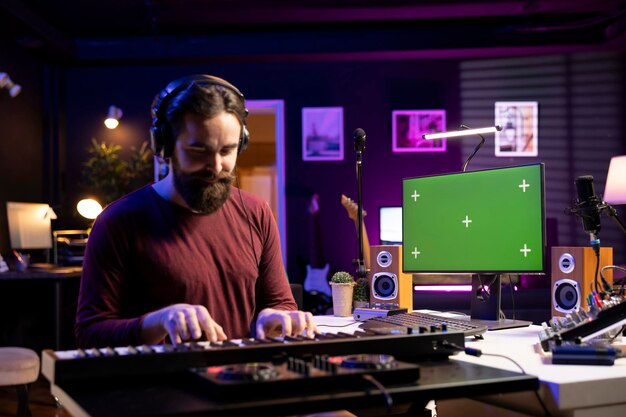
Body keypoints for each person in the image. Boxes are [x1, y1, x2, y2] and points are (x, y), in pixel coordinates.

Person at [75, 74, 317, 348]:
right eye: (198, 150)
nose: (215, 166)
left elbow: (278, 302)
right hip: (158, 386)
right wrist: (160, 320)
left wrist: (276, 317)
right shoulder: (117, 222)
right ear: (165, 146)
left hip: (239, 380)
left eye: (227, 150)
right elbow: (90, 334)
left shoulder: (257, 212)